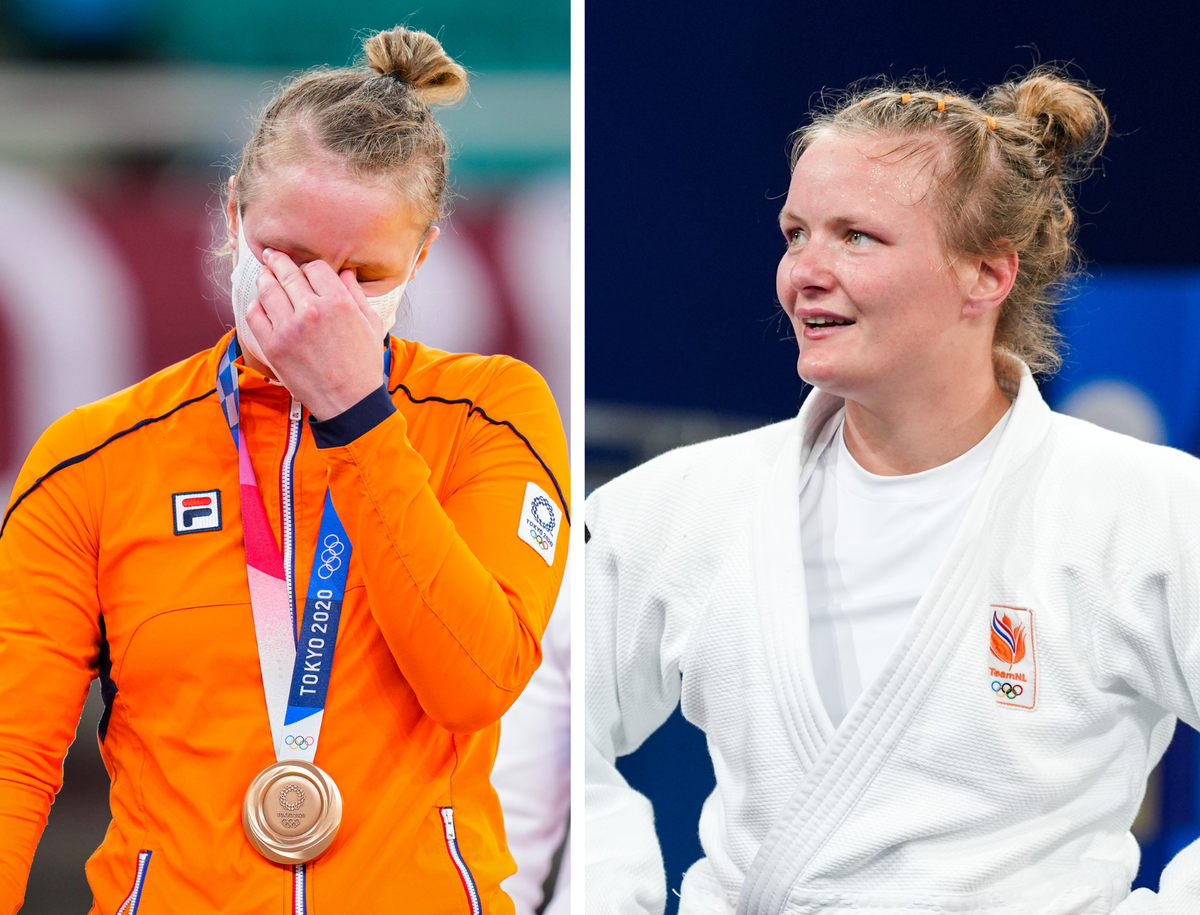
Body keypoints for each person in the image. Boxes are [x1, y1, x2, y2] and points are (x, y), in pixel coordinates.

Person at [586, 69, 1200, 914]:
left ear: (986, 274)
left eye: (857, 237)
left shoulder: (1149, 509)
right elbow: (538, 724)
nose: (806, 271)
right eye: (795, 232)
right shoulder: (680, 505)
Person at [0, 25, 570, 915]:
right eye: (291, 258)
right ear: (230, 216)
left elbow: (475, 684)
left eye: (362, 273)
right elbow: (13, 750)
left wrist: (359, 418)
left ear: (420, 260)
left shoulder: (489, 413)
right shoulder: (94, 457)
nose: (319, 303)